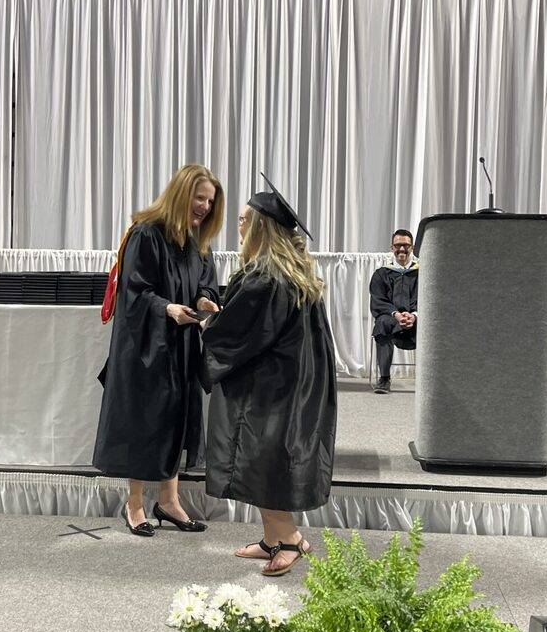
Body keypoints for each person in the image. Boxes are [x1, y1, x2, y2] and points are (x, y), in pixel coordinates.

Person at [202, 179, 336, 577]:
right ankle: (272, 539)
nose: (239, 225)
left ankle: (290, 540)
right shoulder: (292, 273)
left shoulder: (264, 276)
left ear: (261, 227)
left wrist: (209, 323)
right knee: (266, 461)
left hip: (269, 389)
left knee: (262, 461)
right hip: (293, 382)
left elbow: (239, 334)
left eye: (245, 219)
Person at [93, 164, 225, 537]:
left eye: (210, 201)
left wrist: (204, 300)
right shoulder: (146, 234)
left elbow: (206, 284)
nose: (204, 207)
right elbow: (134, 292)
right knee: (144, 420)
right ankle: (134, 503)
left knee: (176, 419)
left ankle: (169, 501)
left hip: (181, 343)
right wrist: (167, 309)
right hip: (145, 345)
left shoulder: (198, 240)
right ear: (181, 193)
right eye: (199, 198)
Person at [368, 229, 418, 394]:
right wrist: (396, 314)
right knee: (382, 323)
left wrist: (414, 315)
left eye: (406, 245)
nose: (402, 249)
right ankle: (384, 378)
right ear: (392, 247)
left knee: (433, 326)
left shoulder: (423, 273)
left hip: (417, 321)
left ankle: (430, 378)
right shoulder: (381, 274)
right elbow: (378, 300)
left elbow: (429, 299)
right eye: (398, 245)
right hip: (391, 320)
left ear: (412, 247)